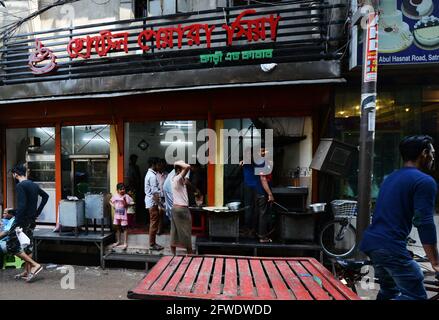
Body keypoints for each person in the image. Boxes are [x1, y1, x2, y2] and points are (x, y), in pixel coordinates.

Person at [360, 135, 439, 300]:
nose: (433, 157)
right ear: (424, 153)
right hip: (390, 246)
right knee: (416, 296)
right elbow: (424, 222)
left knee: (390, 292)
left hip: (373, 244)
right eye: (432, 152)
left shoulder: (391, 178)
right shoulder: (424, 181)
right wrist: (435, 262)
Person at [1, 164, 48, 282]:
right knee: (27, 246)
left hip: (22, 221)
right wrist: (37, 212)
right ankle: (27, 271)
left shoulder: (20, 185)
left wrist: (13, 214)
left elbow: (22, 207)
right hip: (31, 220)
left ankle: (34, 265)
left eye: (13, 174)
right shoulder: (33, 185)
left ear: (16, 174)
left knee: (11, 245)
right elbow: (45, 196)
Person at [170, 160, 193, 255]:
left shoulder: (174, 178)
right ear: (179, 170)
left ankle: (173, 255)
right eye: (182, 170)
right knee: (186, 231)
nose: (186, 172)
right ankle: (190, 253)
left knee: (174, 231)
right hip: (182, 209)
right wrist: (177, 164)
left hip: (175, 208)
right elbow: (188, 166)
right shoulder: (178, 178)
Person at [254, 148, 275, 243]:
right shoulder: (262, 163)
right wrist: (270, 194)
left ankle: (258, 234)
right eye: (263, 151)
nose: (266, 151)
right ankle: (262, 237)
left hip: (260, 191)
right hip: (262, 192)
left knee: (260, 213)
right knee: (263, 214)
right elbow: (263, 179)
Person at [144, 157, 163, 251]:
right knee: (154, 223)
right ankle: (152, 244)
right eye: (159, 164)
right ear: (154, 165)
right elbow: (155, 192)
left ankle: (153, 243)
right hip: (152, 202)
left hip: (151, 201)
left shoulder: (150, 174)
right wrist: (160, 204)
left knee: (154, 222)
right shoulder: (152, 176)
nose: (160, 166)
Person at [109, 183, 134, 250]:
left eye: (123, 189)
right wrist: (113, 206)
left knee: (125, 228)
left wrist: (126, 202)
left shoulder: (126, 196)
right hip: (117, 215)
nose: (123, 190)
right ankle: (118, 241)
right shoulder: (115, 196)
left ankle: (125, 243)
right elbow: (110, 201)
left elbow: (131, 203)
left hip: (123, 215)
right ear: (117, 190)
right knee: (117, 228)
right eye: (121, 189)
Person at [240, 147, 258, 237]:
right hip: (247, 187)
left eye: (250, 153)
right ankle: (247, 228)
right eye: (247, 153)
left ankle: (253, 229)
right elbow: (241, 164)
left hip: (256, 187)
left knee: (255, 208)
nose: (248, 155)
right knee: (248, 207)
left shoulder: (256, 162)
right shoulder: (243, 162)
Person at [127, 154, 143, 225]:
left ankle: (135, 220)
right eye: (133, 159)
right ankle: (132, 221)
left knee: (137, 204)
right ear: (131, 159)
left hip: (137, 187)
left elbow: (138, 178)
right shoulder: (129, 167)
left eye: (136, 159)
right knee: (132, 206)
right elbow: (130, 179)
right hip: (132, 188)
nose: (135, 161)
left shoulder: (136, 167)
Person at [156, 158, 168, 234]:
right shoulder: (155, 175)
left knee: (164, 213)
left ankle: (162, 227)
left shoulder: (167, 174)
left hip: (166, 196)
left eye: (163, 165)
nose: (161, 166)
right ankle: (159, 229)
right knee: (158, 213)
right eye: (159, 165)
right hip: (157, 197)